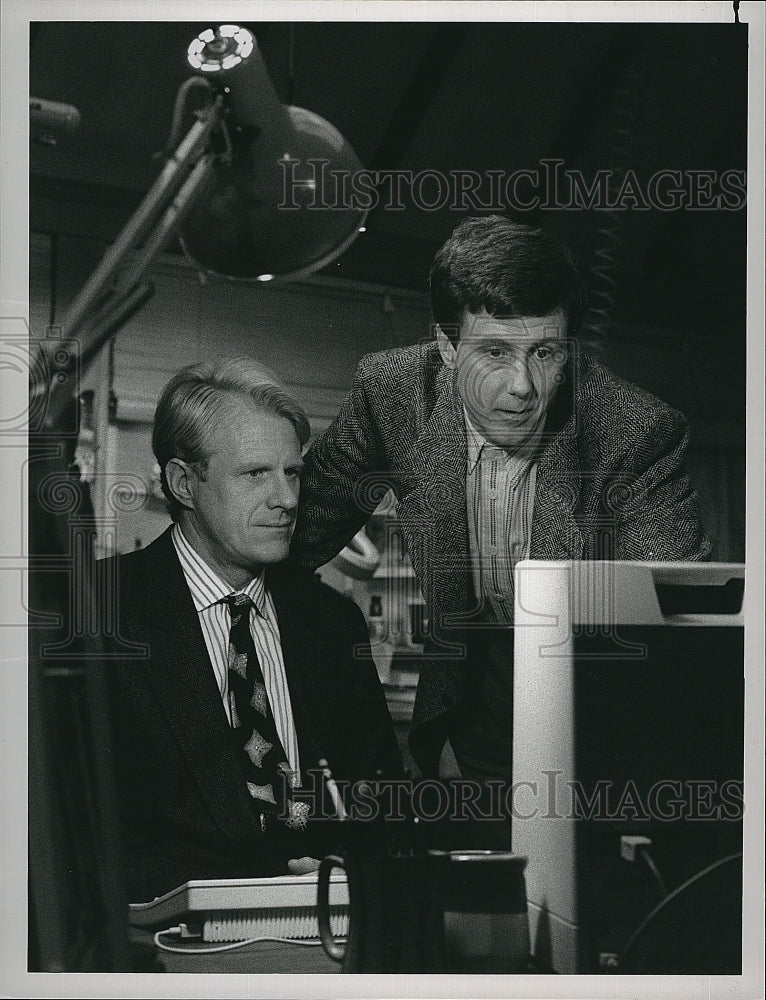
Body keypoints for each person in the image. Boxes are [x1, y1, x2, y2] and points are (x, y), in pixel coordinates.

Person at [291, 215, 710, 810]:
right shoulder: (394, 395)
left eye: (544, 352)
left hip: (593, 731)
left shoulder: (632, 431)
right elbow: (288, 540)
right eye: (494, 352)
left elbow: (677, 627)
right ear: (445, 346)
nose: (523, 387)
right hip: (464, 721)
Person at [96, 358, 401, 901]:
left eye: (294, 473)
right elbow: (76, 831)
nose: (286, 498)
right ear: (184, 483)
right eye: (256, 474)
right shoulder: (99, 616)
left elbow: (380, 806)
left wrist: (340, 871)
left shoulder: (331, 623)